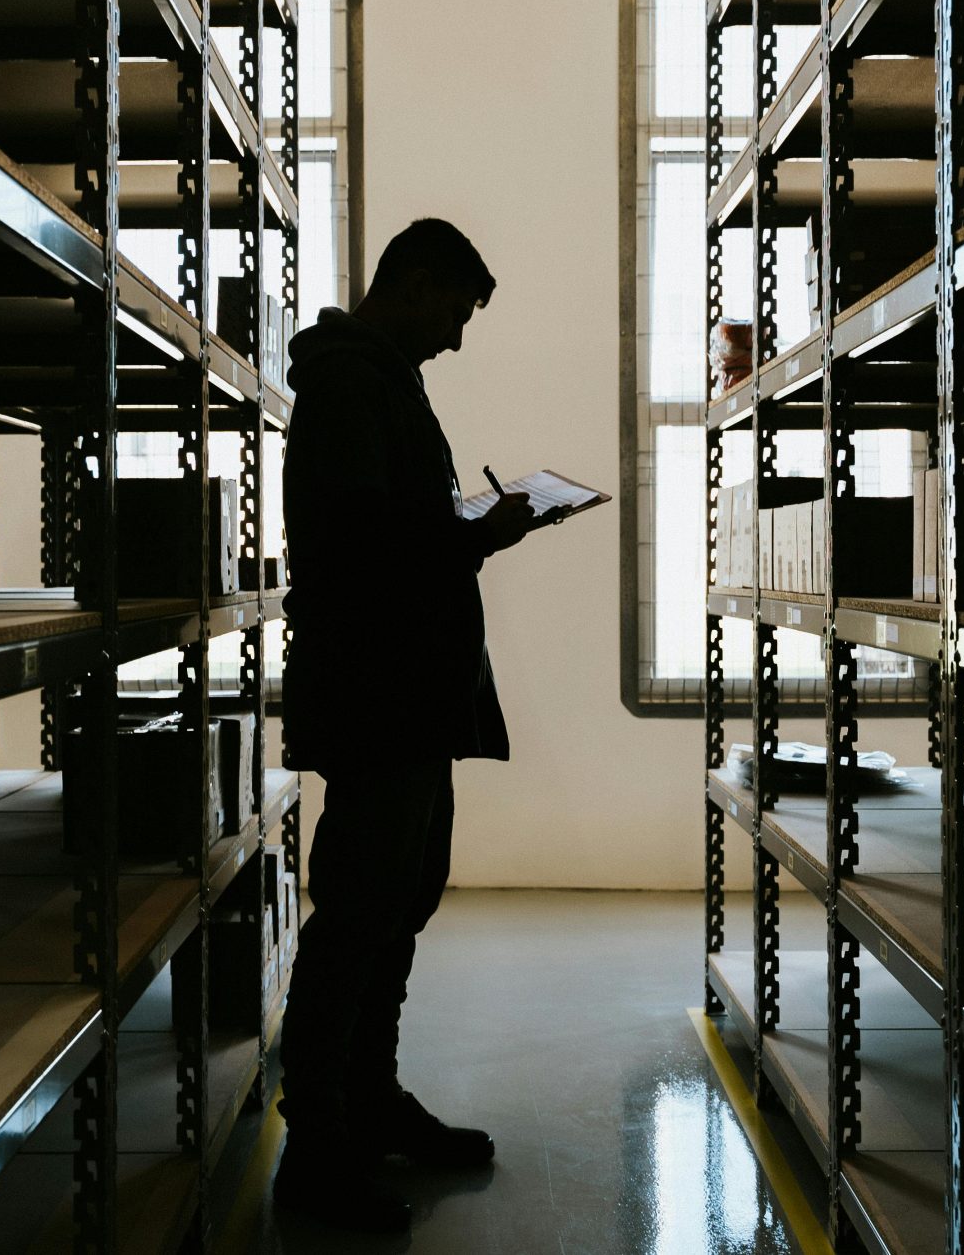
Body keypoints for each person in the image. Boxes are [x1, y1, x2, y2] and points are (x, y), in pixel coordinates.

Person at [272, 217, 560, 1233]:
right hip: (376, 701)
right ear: (412, 283)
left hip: (403, 701)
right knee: (356, 919)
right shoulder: (352, 382)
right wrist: (475, 536)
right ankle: (315, 1147)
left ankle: (368, 1101)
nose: (456, 337)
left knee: (395, 910)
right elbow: (359, 542)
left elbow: (388, 532)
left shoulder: (378, 379)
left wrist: (467, 537)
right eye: (454, 312)